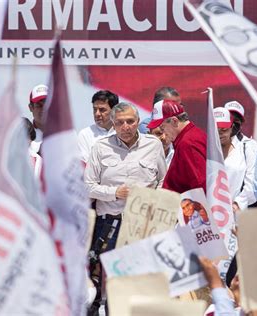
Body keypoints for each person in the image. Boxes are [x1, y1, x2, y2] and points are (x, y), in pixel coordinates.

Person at [84, 102, 166, 312]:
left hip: (144, 224)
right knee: (115, 284)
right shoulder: (100, 148)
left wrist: (152, 196)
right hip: (110, 225)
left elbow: (163, 181)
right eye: (120, 122)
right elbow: (87, 186)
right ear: (113, 124)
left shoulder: (154, 145)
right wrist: (114, 193)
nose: (126, 126)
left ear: (138, 121)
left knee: (143, 283)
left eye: (130, 121)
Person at [147, 99, 207, 193]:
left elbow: (199, 185)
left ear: (174, 121)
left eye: (163, 127)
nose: (163, 133)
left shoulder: (188, 143)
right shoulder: (190, 137)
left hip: (186, 204)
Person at [215, 107, 257, 213]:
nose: (220, 133)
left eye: (224, 129)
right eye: (216, 129)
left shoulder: (247, 147)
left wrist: (238, 204)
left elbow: (252, 182)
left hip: (233, 213)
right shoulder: (203, 149)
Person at [77, 90, 119, 164]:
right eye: (95, 109)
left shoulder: (124, 132)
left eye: (102, 110)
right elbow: (84, 166)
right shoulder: (85, 134)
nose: (97, 114)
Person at [28, 84, 48, 154]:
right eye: (39, 106)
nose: (43, 109)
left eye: (47, 105)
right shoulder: (24, 136)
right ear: (30, 107)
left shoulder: (64, 134)